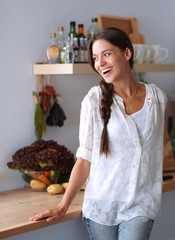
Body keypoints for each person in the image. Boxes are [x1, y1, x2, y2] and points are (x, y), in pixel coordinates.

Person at [30, 28, 167, 240]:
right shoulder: (94, 101)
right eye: (95, 58)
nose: (100, 63)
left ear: (127, 53)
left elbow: (155, 149)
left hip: (141, 203)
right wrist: (63, 205)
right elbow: (85, 159)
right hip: (101, 205)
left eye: (106, 54)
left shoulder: (157, 98)